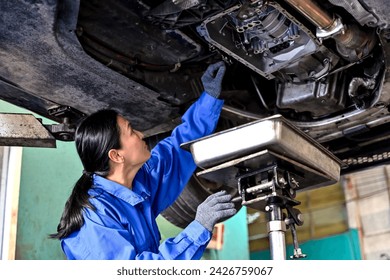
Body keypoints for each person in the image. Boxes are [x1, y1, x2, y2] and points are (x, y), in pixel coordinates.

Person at [50, 61, 237, 260]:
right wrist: (198, 229)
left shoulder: (140, 184)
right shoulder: (95, 217)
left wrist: (209, 98)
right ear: (116, 155)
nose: (140, 134)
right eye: (131, 132)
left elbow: (178, 147)